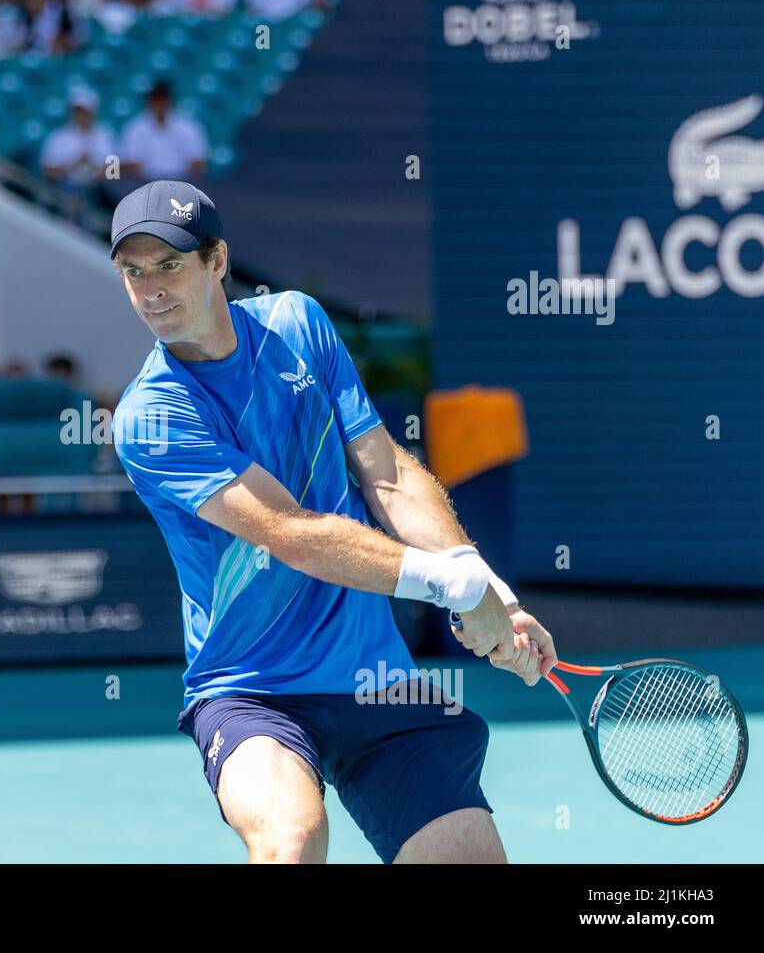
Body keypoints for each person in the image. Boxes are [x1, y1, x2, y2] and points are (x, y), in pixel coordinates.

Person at [108, 179, 557, 864]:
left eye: (169, 265)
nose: (152, 289)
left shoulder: (298, 324)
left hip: (376, 681)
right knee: (291, 840)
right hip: (251, 692)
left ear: (218, 261)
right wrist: (457, 593)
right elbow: (294, 534)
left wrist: (483, 581)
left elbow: (388, 471)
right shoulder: (152, 416)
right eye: (133, 273)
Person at [117, 81, 208, 181]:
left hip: (182, 184)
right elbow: (130, 163)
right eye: (156, 99)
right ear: (149, 102)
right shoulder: (134, 128)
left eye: (163, 99)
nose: (160, 103)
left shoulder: (189, 127)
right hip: (145, 185)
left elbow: (198, 162)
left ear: (170, 101)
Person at [41, 85, 114, 191]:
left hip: (99, 189)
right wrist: (73, 165)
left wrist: (94, 167)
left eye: (85, 111)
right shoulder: (58, 137)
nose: (81, 115)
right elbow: (47, 171)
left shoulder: (106, 135)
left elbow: (114, 172)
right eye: (78, 111)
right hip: (66, 186)